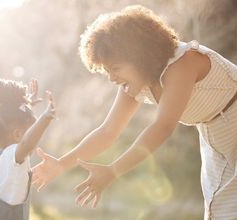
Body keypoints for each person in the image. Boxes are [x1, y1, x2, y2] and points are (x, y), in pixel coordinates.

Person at [32, 5, 237, 219]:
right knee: (219, 211)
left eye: (115, 68)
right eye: (106, 71)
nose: (111, 77)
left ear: (140, 56)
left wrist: (113, 171)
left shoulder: (183, 64)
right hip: (217, 140)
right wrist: (60, 165)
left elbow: (163, 127)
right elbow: (108, 132)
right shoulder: (137, 83)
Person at [0, 79, 56, 220]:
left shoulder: (2, 157)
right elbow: (26, 143)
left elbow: (24, 134)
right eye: (32, 129)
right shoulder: (12, 157)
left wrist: (28, 106)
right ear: (17, 134)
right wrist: (45, 118)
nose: (35, 137)